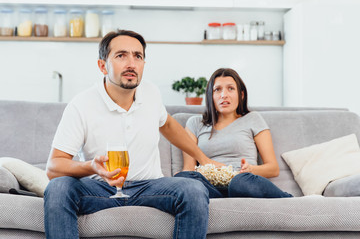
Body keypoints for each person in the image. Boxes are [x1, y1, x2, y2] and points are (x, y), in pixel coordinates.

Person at [44, 30, 221, 239]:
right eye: (121, 56)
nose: (131, 63)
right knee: (58, 188)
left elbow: (169, 126)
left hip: (150, 186)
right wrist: (90, 166)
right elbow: (54, 167)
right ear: (103, 66)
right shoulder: (81, 104)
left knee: (193, 189)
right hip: (100, 188)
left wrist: (203, 158)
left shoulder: (151, 92)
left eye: (138, 56)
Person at [175, 68, 293, 198]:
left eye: (230, 88)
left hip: (243, 181)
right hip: (210, 187)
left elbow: (273, 168)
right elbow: (189, 168)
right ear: (211, 96)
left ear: (241, 95)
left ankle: (287, 198)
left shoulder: (253, 119)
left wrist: (251, 170)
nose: (224, 95)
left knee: (239, 182)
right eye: (217, 89)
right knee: (184, 177)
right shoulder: (195, 123)